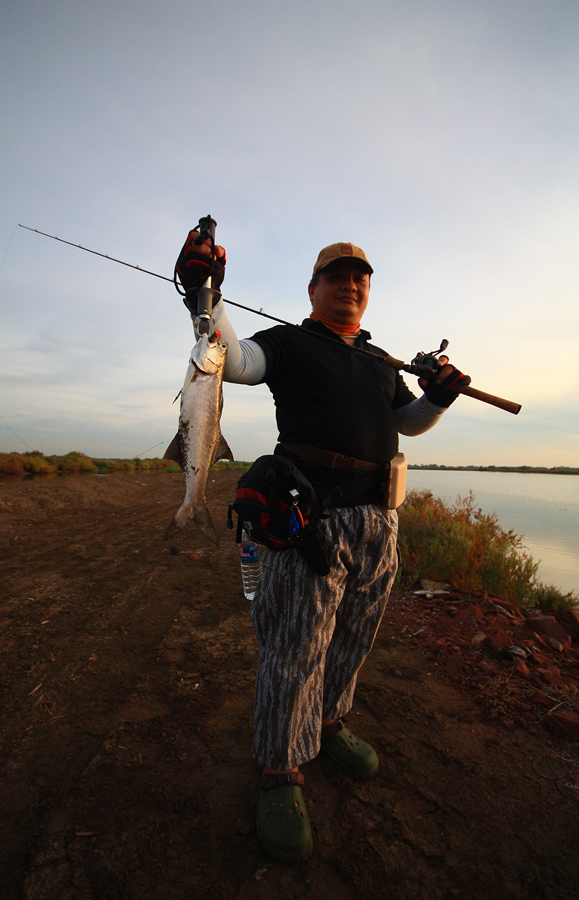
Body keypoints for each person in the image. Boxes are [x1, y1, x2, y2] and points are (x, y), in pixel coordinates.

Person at [176, 232, 469, 863]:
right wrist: (206, 295)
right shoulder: (288, 342)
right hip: (309, 521)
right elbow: (234, 357)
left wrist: (438, 399)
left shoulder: (381, 360)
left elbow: (407, 422)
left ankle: (329, 721)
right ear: (313, 290)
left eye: (360, 277)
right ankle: (281, 768)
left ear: (368, 292)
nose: (350, 284)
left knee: (354, 636)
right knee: (295, 644)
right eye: (336, 276)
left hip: (378, 522)